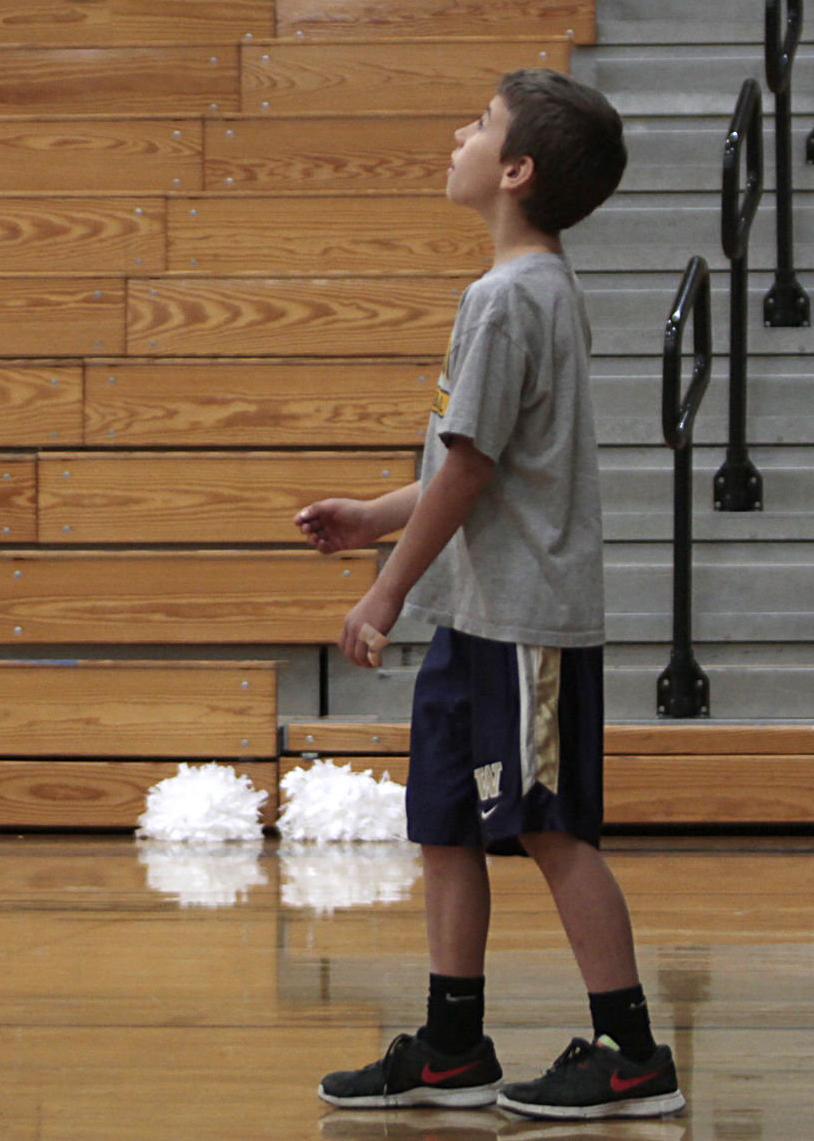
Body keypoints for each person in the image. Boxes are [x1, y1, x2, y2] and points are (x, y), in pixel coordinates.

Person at [298, 70, 684, 1121]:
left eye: (479, 126)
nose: (456, 133)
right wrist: (376, 516)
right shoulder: (522, 292)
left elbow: (470, 472)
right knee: (446, 827)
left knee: (552, 830)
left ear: (514, 171)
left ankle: (633, 1051)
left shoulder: (512, 299)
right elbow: (475, 467)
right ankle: (452, 1045)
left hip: (526, 625)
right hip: (474, 619)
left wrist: (381, 594)